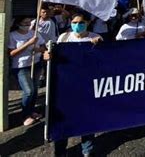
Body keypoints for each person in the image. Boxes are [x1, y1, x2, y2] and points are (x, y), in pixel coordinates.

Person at [44, 12, 102, 156]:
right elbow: (53, 55)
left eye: (80, 22)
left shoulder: (95, 37)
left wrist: (99, 46)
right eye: (74, 22)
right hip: (65, 86)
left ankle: (87, 149)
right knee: (63, 119)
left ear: (87, 23)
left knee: (87, 118)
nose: (77, 25)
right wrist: (48, 56)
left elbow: (102, 60)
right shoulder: (64, 37)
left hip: (87, 85)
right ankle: (60, 151)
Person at [9, 16, 46, 126]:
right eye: (25, 23)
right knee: (28, 91)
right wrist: (29, 43)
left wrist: (38, 49)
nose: (28, 25)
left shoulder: (34, 33)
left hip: (36, 64)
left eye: (29, 23)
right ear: (18, 24)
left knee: (34, 90)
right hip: (21, 66)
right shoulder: (13, 35)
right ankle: (25, 115)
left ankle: (31, 111)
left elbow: (44, 47)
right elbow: (12, 53)